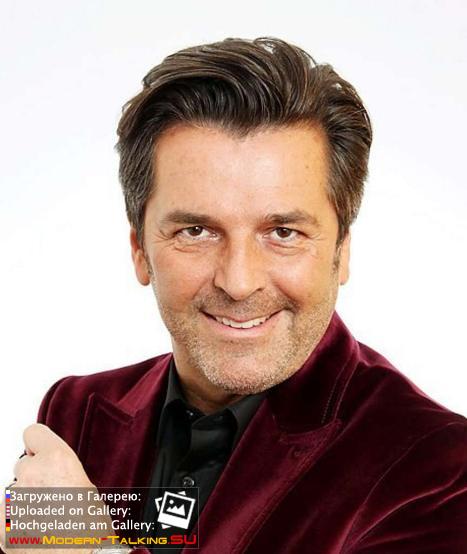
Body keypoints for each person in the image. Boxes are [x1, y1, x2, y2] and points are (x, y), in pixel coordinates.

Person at [2, 37, 467, 553]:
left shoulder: (440, 466)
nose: (239, 281)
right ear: (139, 250)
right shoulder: (76, 411)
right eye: (196, 231)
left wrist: (93, 547)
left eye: (283, 232)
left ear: (342, 251)